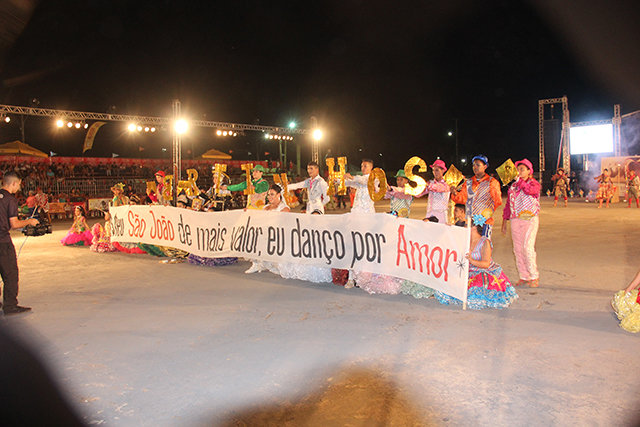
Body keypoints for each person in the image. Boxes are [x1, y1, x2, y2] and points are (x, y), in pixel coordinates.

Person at [435, 214, 518, 309]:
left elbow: (486, 264)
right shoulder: (465, 239)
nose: (464, 227)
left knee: (476, 286)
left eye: (466, 225)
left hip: (482, 270)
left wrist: (471, 260)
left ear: (474, 228)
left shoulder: (484, 242)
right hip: (467, 268)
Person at [0, 172, 39, 314]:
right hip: (3, 242)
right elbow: (14, 224)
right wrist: (30, 221)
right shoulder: (10, 199)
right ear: (14, 183)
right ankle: (10, 305)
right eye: (19, 184)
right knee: (10, 274)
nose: (19, 187)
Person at [501, 159, 541, 287]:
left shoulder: (534, 183)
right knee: (517, 249)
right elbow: (508, 204)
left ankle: (534, 275)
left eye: (522, 169)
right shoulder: (513, 186)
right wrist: (504, 221)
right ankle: (524, 276)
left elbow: (531, 191)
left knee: (527, 247)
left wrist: (520, 181)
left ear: (529, 171)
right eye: (518, 169)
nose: (519, 171)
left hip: (529, 219)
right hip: (515, 219)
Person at [450, 154, 501, 237]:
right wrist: (455, 193)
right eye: (473, 165)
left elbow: (497, 201)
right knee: (469, 246)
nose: (475, 167)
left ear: (485, 166)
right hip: (469, 220)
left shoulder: (492, 182)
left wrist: (485, 213)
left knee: (483, 245)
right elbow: (462, 199)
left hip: (484, 221)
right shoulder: (468, 182)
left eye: (478, 165)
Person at [419, 159, 450, 223]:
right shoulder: (431, 182)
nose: (434, 172)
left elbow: (437, 188)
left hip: (441, 213)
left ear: (443, 170)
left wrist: (426, 184)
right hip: (430, 212)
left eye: (437, 170)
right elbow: (419, 194)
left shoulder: (447, 184)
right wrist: (413, 189)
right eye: (433, 170)